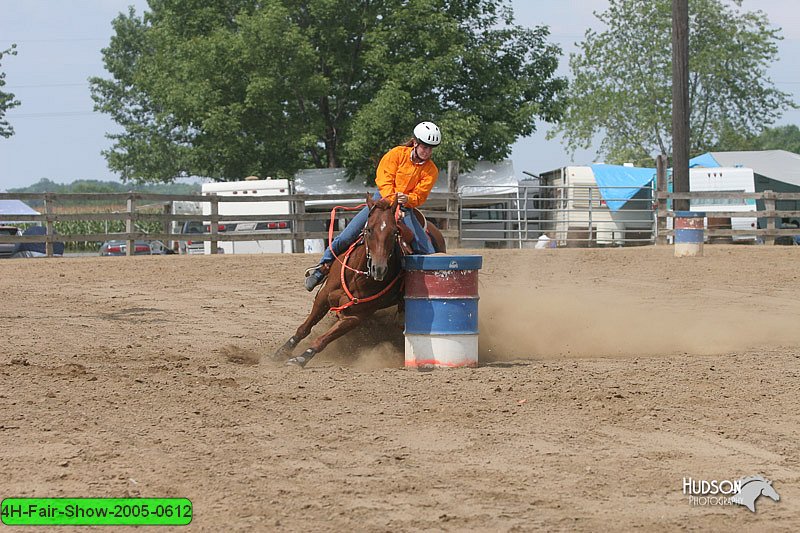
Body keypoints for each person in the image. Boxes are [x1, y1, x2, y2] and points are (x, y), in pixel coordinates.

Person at [304, 121, 442, 291]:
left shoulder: (431, 170)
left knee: (425, 247)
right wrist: (394, 201)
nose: (427, 151)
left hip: (405, 207)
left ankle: (428, 288)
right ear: (415, 142)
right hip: (382, 200)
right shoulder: (396, 154)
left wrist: (408, 199)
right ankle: (321, 270)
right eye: (424, 146)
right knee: (348, 235)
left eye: (430, 148)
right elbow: (384, 180)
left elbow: (421, 195)